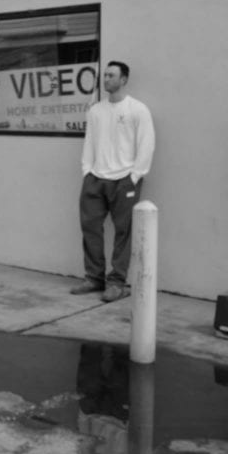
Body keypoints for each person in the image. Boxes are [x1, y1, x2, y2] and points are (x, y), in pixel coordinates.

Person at [70, 61, 156, 303]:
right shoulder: (96, 110)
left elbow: (147, 144)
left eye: (111, 75)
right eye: (105, 75)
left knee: (124, 232)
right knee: (90, 229)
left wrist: (135, 176)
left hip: (125, 180)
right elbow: (89, 143)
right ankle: (94, 277)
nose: (105, 79)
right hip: (96, 179)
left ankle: (117, 282)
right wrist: (87, 171)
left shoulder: (137, 110)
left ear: (124, 79)